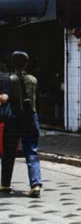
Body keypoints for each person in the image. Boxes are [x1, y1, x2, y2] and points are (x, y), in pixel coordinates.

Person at [0, 51, 43, 197]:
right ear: (27, 63)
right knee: (31, 151)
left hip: (13, 120)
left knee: (8, 152)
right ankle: (35, 185)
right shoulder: (33, 80)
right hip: (31, 118)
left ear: (12, 63)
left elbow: (5, 98)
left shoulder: (8, 79)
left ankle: (5, 184)